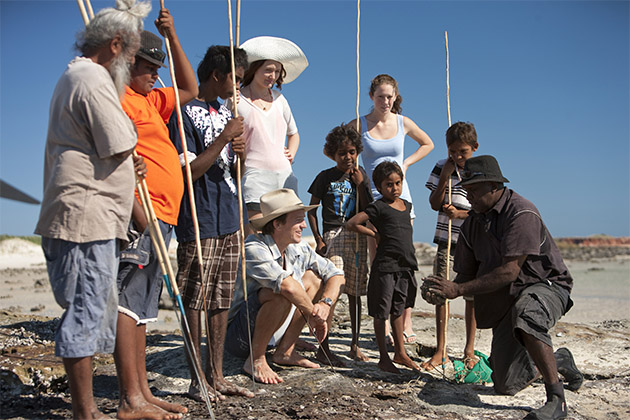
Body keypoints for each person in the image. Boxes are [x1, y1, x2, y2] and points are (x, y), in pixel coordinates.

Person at [34, 1, 151, 418]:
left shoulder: (79, 75)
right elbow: (120, 140)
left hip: (88, 213)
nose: (133, 64)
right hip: (85, 215)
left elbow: (114, 146)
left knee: (88, 307)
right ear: (116, 45)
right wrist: (128, 148)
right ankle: (85, 414)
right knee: (84, 310)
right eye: (133, 56)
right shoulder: (92, 77)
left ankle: (93, 411)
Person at [421, 155, 584, 420]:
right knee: (506, 385)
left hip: (545, 286)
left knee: (527, 312)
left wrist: (458, 290)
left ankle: (557, 400)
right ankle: (559, 360)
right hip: (508, 298)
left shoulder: (521, 212)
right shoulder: (472, 224)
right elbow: (465, 275)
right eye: (466, 190)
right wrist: (442, 289)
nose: (468, 196)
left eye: (473, 190)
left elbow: (510, 271)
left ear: (494, 186)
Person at [114, 10, 198, 420]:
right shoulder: (118, 98)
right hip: (140, 214)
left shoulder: (151, 99)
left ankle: (143, 392)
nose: (155, 75)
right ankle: (129, 399)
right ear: (127, 65)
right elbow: (117, 163)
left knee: (144, 307)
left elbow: (189, 86)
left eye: (157, 68)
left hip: (163, 215)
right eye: (148, 68)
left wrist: (173, 36)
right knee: (128, 304)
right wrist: (140, 217)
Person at [168, 45, 254, 400]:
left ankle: (216, 375)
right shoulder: (183, 113)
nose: (238, 86)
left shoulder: (226, 112)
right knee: (195, 299)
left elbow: (235, 173)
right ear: (217, 75)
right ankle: (195, 380)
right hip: (199, 218)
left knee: (220, 299)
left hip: (229, 217)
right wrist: (222, 139)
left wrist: (241, 155)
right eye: (235, 77)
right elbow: (188, 171)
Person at [225, 189, 345, 384]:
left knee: (314, 278)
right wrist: (315, 317)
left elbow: (337, 274)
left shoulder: (298, 248)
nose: (304, 226)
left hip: (274, 326)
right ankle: (256, 359)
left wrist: (325, 304)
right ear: (277, 224)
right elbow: (287, 287)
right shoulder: (254, 247)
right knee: (280, 292)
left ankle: (285, 351)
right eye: (298, 220)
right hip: (240, 336)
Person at [350, 74, 434, 343]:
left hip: (401, 198)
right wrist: (356, 169)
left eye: (390, 96)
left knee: (404, 258)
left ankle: (406, 320)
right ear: (371, 97)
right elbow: (340, 146)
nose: (385, 101)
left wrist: (406, 164)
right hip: (373, 198)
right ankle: (382, 321)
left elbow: (428, 143)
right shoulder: (359, 124)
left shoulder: (403, 122)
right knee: (379, 263)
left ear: (396, 97)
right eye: (380, 96)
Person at [228, 36, 308, 233]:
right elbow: (225, 134)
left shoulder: (280, 100)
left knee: (285, 238)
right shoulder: (237, 100)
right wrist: (229, 103)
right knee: (255, 238)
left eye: (277, 71)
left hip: (284, 178)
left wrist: (291, 155)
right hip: (253, 178)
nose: (272, 76)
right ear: (254, 69)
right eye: (268, 70)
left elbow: (294, 134)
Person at [307, 123, 373, 363]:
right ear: (333, 154)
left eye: (352, 152)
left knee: (355, 292)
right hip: (333, 236)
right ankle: (323, 346)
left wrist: (361, 184)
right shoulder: (325, 177)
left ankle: (354, 344)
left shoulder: (361, 176)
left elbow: (369, 208)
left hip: (357, 237)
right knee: (333, 289)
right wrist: (318, 239)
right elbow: (312, 210)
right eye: (342, 153)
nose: (348, 157)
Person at [346, 161, 420, 374]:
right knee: (381, 312)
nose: (394, 188)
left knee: (399, 310)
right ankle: (383, 357)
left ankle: (400, 352)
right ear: (379, 187)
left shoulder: (407, 206)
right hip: (385, 267)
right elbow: (352, 224)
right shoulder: (378, 207)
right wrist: (374, 234)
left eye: (397, 183)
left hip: (405, 266)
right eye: (388, 185)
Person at [422, 121, 479, 371]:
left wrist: (461, 215)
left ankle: (469, 350)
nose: (457, 156)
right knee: (441, 295)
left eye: (462, 152)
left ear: (474, 148)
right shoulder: (442, 166)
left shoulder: (479, 169)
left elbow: (484, 210)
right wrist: (445, 175)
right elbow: (434, 203)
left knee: (471, 297)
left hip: (473, 243)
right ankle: (441, 350)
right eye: (452, 151)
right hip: (447, 243)